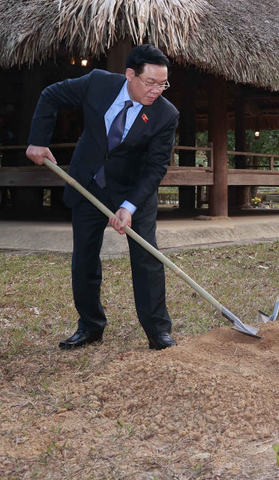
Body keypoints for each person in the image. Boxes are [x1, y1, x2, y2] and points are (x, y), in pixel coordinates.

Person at [25, 44, 179, 351]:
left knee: (147, 258)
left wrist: (128, 206)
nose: (156, 91)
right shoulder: (97, 83)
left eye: (163, 84)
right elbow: (50, 95)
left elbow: (156, 167)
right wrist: (37, 142)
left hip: (134, 192)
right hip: (89, 184)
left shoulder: (166, 115)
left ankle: (158, 331)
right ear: (130, 75)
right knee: (84, 257)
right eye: (150, 83)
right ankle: (90, 326)